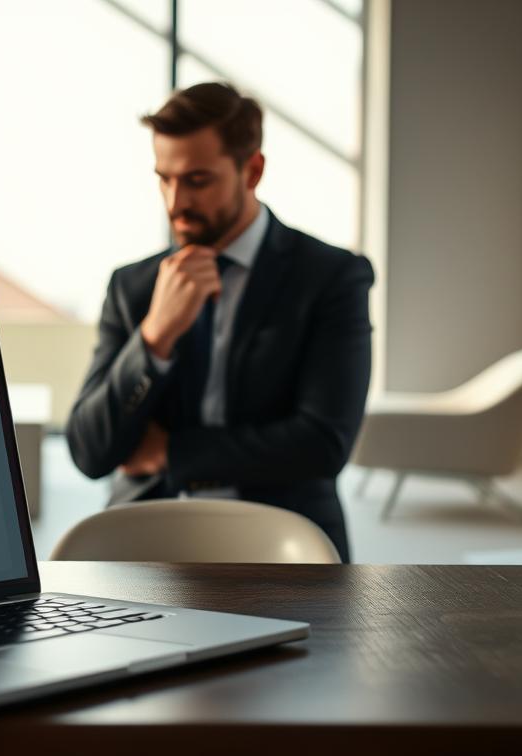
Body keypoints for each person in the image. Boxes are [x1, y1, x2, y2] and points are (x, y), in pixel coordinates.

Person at [65, 82, 374, 562]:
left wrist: (173, 453)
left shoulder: (331, 277)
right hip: (146, 544)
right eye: (164, 179)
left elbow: (322, 443)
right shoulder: (133, 287)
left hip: (283, 548)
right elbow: (89, 450)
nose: (175, 202)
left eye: (197, 180)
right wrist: (155, 337)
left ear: (252, 171)